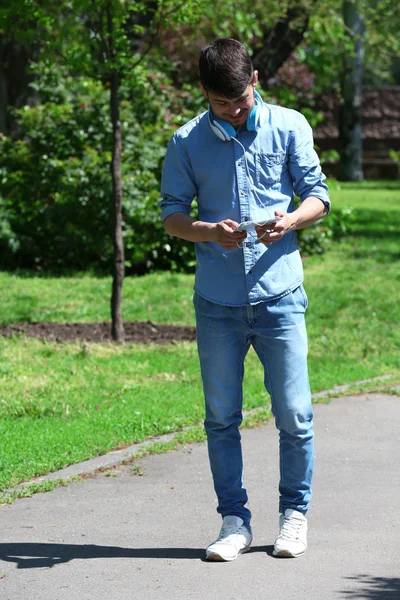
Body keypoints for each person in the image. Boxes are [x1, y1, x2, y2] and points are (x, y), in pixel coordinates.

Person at [160, 38, 330, 561]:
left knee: (295, 415)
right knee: (220, 418)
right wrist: (210, 231)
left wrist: (290, 220)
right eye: (221, 103)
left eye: (240, 99)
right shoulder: (186, 141)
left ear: (254, 80)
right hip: (217, 303)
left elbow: (318, 196)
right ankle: (234, 521)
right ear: (205, 95)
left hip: (280, 295)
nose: (233, 111)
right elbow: (171, 215)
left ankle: (293, 515)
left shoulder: (290, 125)